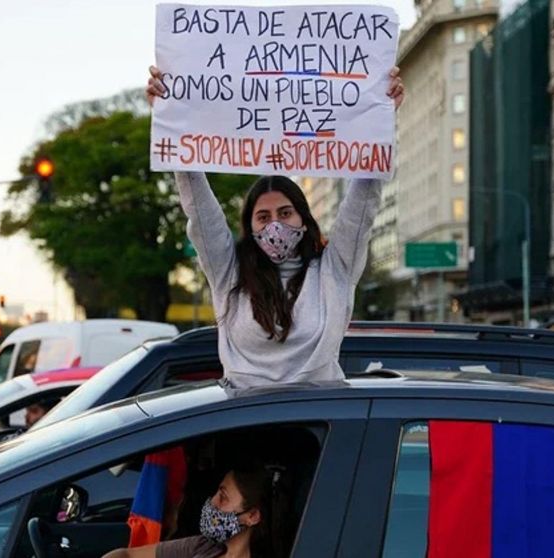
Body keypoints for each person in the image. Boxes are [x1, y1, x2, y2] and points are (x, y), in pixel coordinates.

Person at [145, 65, 404, 388]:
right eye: (264, 217)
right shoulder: (228, 272)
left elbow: (363, 204)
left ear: (304, 220)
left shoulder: (335, 269)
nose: (275, 225)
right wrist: (171, 119)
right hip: (242, 428)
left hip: (323, 430)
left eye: (285, 213)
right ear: (250, 227)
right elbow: (198, 208)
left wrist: (381, 121)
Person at [105, 463, 293, 558]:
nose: (213, 502)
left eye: (223, 497)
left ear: (252, 516)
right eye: (217, 493)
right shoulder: (204, 547)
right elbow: (126, 555)